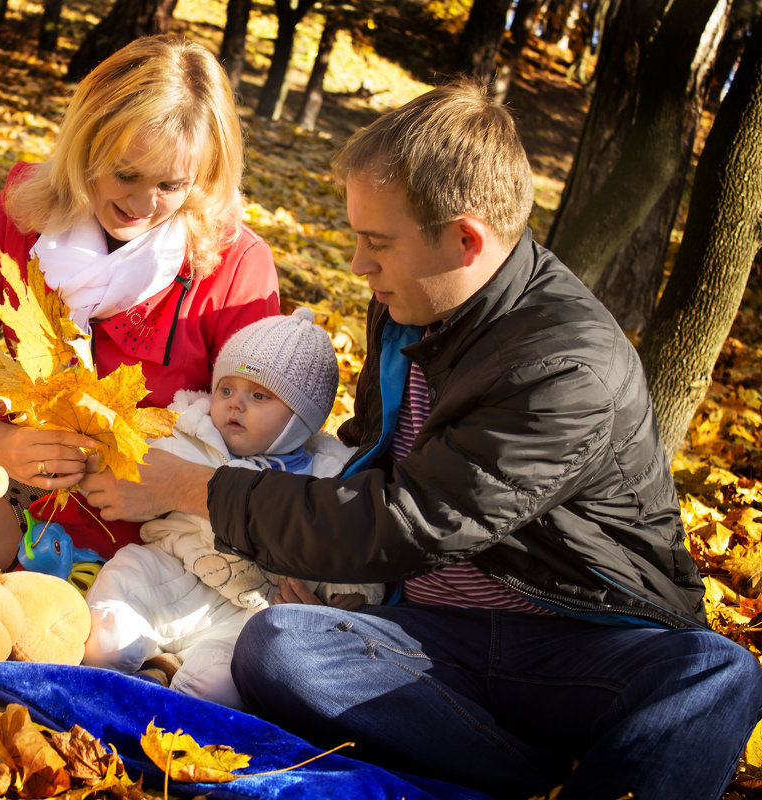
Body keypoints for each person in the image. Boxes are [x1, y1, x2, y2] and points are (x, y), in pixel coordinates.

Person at [80, 80, 762, 799]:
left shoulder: (566, 367)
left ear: (465, 240)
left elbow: (408, 520)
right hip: (432, 640)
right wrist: (325, 580)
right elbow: (367, 460)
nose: (357, 266)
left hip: (576, 647)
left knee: (718, 675)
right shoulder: (409, 307)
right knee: (277, 645)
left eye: (376, 244)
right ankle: (526, 775)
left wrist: (188, 485)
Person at [0, 34, 280, 570]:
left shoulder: (237, 266)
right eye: (126, 174)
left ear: (204, 177)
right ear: (85, 143)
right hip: (9, 490)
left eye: (171, 184)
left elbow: (269, 432)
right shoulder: (26, 211)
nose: (142, 205)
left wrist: (173, 487)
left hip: (155, 545)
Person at [82, 309, 382, 707]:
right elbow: (134, 479)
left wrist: (353, 598)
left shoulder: (328, 477)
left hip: (253, 605)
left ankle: (169, 675)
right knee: (110, 628)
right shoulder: (189, 431)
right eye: (226, 390)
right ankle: (123, 651)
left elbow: (347, 541)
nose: (234, 405)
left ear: (301, 419)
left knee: (214, 686)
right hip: (174, 567)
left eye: (259, 395)